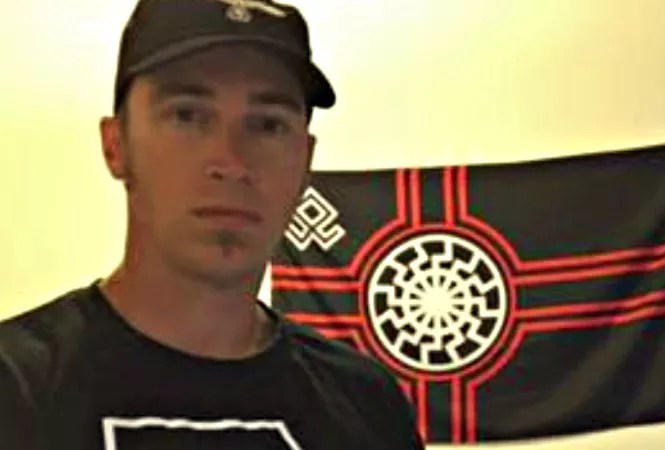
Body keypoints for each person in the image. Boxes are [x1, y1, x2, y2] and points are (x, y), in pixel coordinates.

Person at [0, 0, 425, 449]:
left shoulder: (367, 405)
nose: (232, 162)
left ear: (305, 161)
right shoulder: (15, 387)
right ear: (115, 145)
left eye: (268, 125)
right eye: (187, 115)